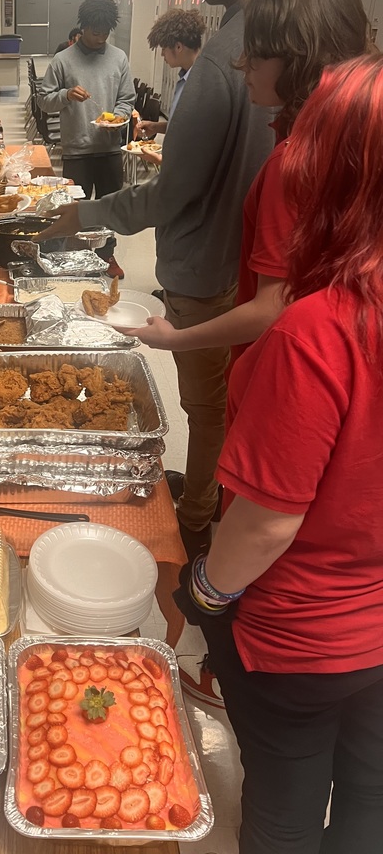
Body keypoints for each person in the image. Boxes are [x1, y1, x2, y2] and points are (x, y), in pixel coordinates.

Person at [177, 53, 383, 854]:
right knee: (369, 801)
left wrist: (203, 592)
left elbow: (266, 525)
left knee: (286, 813)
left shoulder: (318, 330)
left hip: (303, 636)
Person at [40, 0, 282, 556]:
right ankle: (212, 500)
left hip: (210, 272)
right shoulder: (269, 39)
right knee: (232, 404)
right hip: (247, 267)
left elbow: (172, 192)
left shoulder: (223, 57)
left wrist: (81, 215)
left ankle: (199, 519)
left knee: (205, 409)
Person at [128, 0, 371, 367]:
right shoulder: (350, 139)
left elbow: (271, 307)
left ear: (297, 58)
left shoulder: (295, 161)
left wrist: (176, 338)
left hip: (297, 357)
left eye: (255, 50)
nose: (241, 63)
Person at [36, 0, 136, 278]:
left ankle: (107, 256)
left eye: (105, 33)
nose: (101, 37)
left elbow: (127, 98)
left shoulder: (119, 58)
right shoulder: (63, 60)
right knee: (77, 210)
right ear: (83, 28)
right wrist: (66, 95)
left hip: (109, 148)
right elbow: (44, 100)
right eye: (95, 32)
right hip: (77, 149)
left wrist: (120, 115)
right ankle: (76, 259)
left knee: (109, 208)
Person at [135, 7, 206, 145]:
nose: (162, 54)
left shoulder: (204, 82)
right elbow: (184, 126)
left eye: (163, 48)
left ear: (178, 47)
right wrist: (156, 127)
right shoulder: (185, 77)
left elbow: (200, 135)